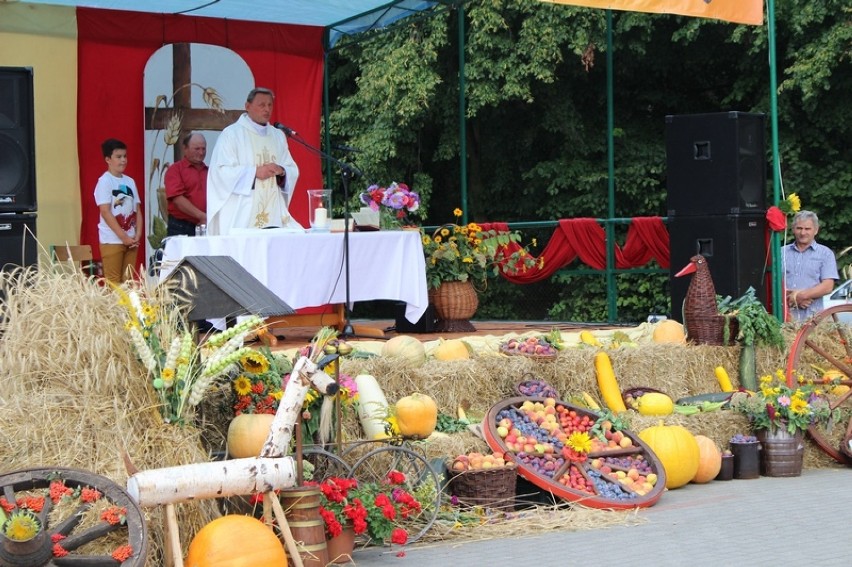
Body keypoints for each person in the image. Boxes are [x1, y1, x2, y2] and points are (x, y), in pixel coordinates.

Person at [206, 87, 300, 235]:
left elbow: (291, 168)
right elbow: (220, 173)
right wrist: (254, 172)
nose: (267, 109)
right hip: (244, 213)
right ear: (247, 106)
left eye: (270, 105)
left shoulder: (277, 136)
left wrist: (282, 171)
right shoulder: (231, 135)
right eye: (262, 105)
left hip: (274, 213)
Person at [94, 138, 142, 284]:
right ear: (108, 159)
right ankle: (115, 308)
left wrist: (137, 234)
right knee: (114, 283)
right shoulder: (105, 181)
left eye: (125, 156)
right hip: (112, 240)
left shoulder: (130, 181)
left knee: (128, 282)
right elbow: (105, 212)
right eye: (118, 157)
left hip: (131, 239)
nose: (123, 160)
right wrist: (123, 237)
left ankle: (126, 308)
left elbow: (137, 210)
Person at [784, 210, 839, 322]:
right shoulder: (781, 253)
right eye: (799, 228)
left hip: (813, 321)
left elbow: (828, 286)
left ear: (816, 230)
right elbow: (772, 284)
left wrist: (801, 296)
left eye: (807, 229)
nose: (803, 233)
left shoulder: (825, 254)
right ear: (793, 229)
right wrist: (791, 299)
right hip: (784, 320)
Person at [164, 132, 208, 236]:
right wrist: (201, 216)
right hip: (181, 227)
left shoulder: (210, 172)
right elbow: (177, 199)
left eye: (203, 148)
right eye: (197, 149)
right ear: (185, 148)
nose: (201, 152)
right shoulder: (175, 170)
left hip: (204, 226)